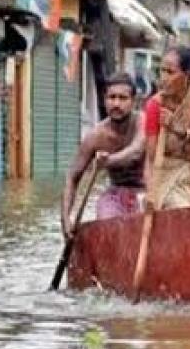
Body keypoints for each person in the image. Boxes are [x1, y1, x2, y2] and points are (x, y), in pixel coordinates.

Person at [61, 73, 145, 237]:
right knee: (106, 228)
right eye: (111, 97)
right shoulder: (95, 136)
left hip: (147, 192)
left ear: (134, 101)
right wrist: (65, 219)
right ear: (104, 99)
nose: (116, 103)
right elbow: (72, 177)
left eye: (123, 98)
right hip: (116, 194)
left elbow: (136, 151)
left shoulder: (143, 122)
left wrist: (108, 161)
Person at [143, 46, 190, 210]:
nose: (164, 78)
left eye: (170, 72)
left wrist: (175, 126)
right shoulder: (154, 105)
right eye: (162, 71)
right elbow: (151, 158)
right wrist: (150, 191)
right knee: (176, 207)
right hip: (166, 173)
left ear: (187, 74)